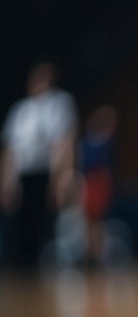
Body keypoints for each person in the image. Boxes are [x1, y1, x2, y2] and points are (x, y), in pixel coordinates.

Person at [2, 62, 78, 269]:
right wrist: (7, 181)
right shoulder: (20, 110)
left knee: (44, 227)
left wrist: (64, 176)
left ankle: (41, 273)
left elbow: (65, 141)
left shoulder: (61, 102)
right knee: (21, 229)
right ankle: (22, 273)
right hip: (23, 176)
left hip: (46, 174)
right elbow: (10, 150)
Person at [80, 105, 116, 266]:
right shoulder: (88, 140)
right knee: (88, 220)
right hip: (89, 182)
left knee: (99, 221)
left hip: (100, 183)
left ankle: (98, 254)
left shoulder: (108, 142)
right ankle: (89, 253)